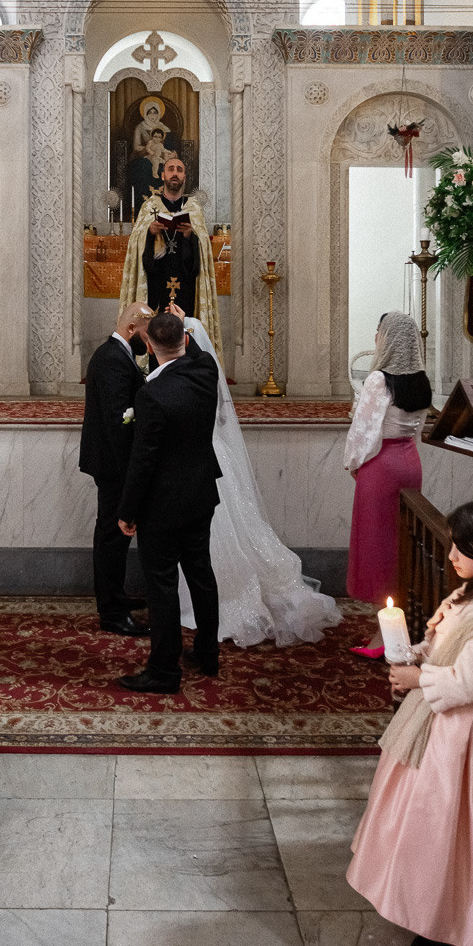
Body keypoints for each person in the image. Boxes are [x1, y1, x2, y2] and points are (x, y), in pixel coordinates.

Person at [347, 497, 473, 946]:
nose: (450, 557)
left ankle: (454, 925)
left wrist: (418, 679)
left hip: (469, 739)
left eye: (461, 550)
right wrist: (413, 654)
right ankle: (418, 904)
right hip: (439, 727)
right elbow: (440, 648)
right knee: (420, 823)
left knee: (455, 832)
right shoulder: (467, 596)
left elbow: (472, 682)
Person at [177, 313, 342, 648]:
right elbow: (221, 416)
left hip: (197, 463)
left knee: (209, 535)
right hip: (216, 459)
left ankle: (204, 600)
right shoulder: (208, 370)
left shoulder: (182, 376)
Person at [115, 310, 221, 693]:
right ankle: (208, 653)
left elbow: (142, 463)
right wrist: (184, 323)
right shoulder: (206, 371)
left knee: (161, 587)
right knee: (201, 575)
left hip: (161, 507)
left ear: (147, 346)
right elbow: (195, 352)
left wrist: (127, 512)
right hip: (200, 496)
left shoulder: (152, 395)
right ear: (188, 340)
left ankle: (164, 671)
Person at [344, 311, 431, 656]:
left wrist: (353, 464)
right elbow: (418, 427)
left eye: (379, 331)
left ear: (388, 337)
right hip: (410, 462)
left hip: (381, 467)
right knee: (403, 546)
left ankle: (387, 639)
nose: (376, 336)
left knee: (379, 550)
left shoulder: (379, 380)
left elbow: (364, 432)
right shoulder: (421, 378)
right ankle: (400, 626)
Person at [79, 301, 155, 636]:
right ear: (131, 329)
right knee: (111, 536)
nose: (148, 342)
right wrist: (131, 475)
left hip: (113, 463)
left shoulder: (118, 355)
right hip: (114, 465)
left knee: (115, 537)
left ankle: (117, 595)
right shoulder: (111, 359)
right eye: (145, 335)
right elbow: (118, 423)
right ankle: (110, 611)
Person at [119, 154, 224, 362]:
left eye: (179, 169)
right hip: (156, 281)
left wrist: (191, 236)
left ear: (185, 176)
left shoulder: (193, 208)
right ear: (162, 175)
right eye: (171, 169)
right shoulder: (150, 207)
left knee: (186, 328)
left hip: (186, 282)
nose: (175, 173)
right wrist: (149, 232)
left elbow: (203, 245)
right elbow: (136, 245)